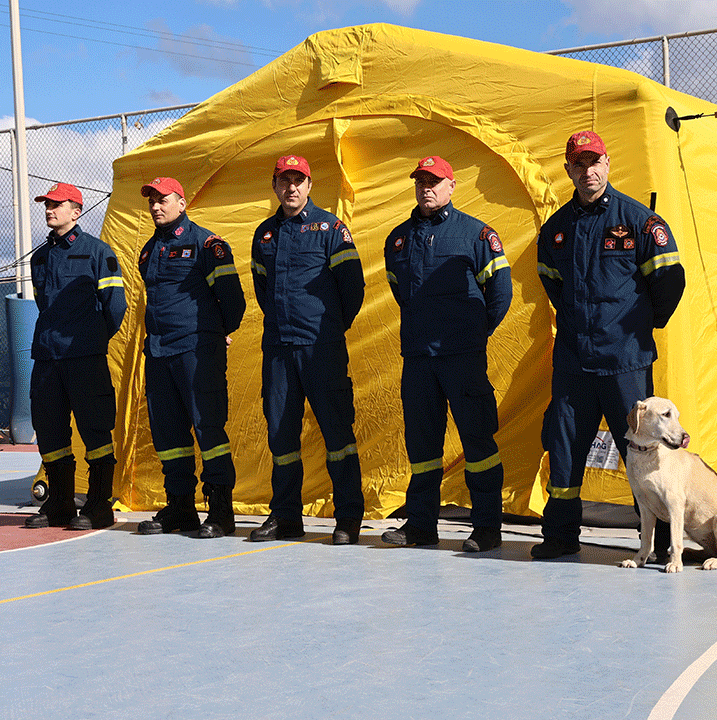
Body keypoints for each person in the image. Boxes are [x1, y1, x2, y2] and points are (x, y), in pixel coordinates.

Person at [532, 131, 686, 559]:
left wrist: (640, 325)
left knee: (643, 453)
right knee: (564, 450)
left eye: (594, 162)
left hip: (625, 362)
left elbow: (670, 281)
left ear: (608, 163)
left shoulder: (639, 221)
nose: (588, 171)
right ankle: (560, 536)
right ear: (568, 170)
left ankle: (656, 544)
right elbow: (551, 282)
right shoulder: (556, 230)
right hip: (574, 364)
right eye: (579, 164)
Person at [381, 156, 512, 552]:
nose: (427, 188)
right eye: (421, 181)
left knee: (478, 443)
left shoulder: (476, 235)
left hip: (463, 358)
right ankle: (421, 526)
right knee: (422, 448)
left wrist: (475, 333)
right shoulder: (398, 239)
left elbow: (501, 292)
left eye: (435, 182)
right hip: (419, 359)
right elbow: (401, 292)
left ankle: (486, 528)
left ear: (451, 186)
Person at [249, 155, 365, 545]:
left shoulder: (330, 229)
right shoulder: (264, 234)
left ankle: (348, 517)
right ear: (275, 186)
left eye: (298, 180)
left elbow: (352, 288)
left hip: (321, 349)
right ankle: (286, 517)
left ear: (310, 186)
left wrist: (328, 328)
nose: (291, 188)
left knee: (337, 434)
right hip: (279, 351)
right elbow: (262, 290)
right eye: (284, 181)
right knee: (281, 437)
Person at [136, 177, 245, 537]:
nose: (156, 206)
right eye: (151, 201)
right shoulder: (149, 250)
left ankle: (220, 512)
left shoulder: (207, 244)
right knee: (168, 435)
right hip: (159, 353)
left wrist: (213, 334)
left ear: (181, 203)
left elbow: (233, 300)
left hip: (197, 352)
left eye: (163, 199)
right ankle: (181, 508)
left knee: (208, 429)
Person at [23, 183, 126, 530]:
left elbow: (115, 306)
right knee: (49, 430)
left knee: (95, 431)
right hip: (47, 358)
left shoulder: (97, 252)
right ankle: (60, 504)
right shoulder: (40, 257)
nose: (49, 209)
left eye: (57, 204)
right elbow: (44, 304)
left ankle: (98, 506)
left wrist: (91, 338)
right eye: (47, 204)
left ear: (76, 211)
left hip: (85, 358)